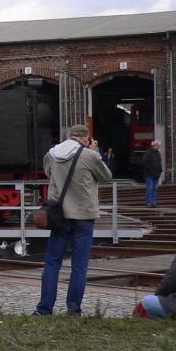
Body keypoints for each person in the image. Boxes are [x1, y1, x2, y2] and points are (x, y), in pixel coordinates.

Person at [34, 124, 112, 316]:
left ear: (69, 136)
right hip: (83, 216)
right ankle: (73, 309)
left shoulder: (51, 154)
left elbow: (49, 173)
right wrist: (95, 152)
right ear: (85, 138)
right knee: (79, 265)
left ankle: (44, 309)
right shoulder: (90, 155)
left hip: (59, 216)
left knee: (52, 263)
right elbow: (106, 177)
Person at [141, 140, 163, 208]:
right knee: (150, 188)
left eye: (159, 146)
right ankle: (149, 203)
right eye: (158, 146)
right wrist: (151, 170)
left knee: (154, 188)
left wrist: (159, 171)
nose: (159, 147)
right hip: (149, 174)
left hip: (156, 174)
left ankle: (153, 202)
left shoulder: (158, 153)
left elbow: (159, 163)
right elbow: (144, 162)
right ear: (154, 145)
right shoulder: (148, 152)